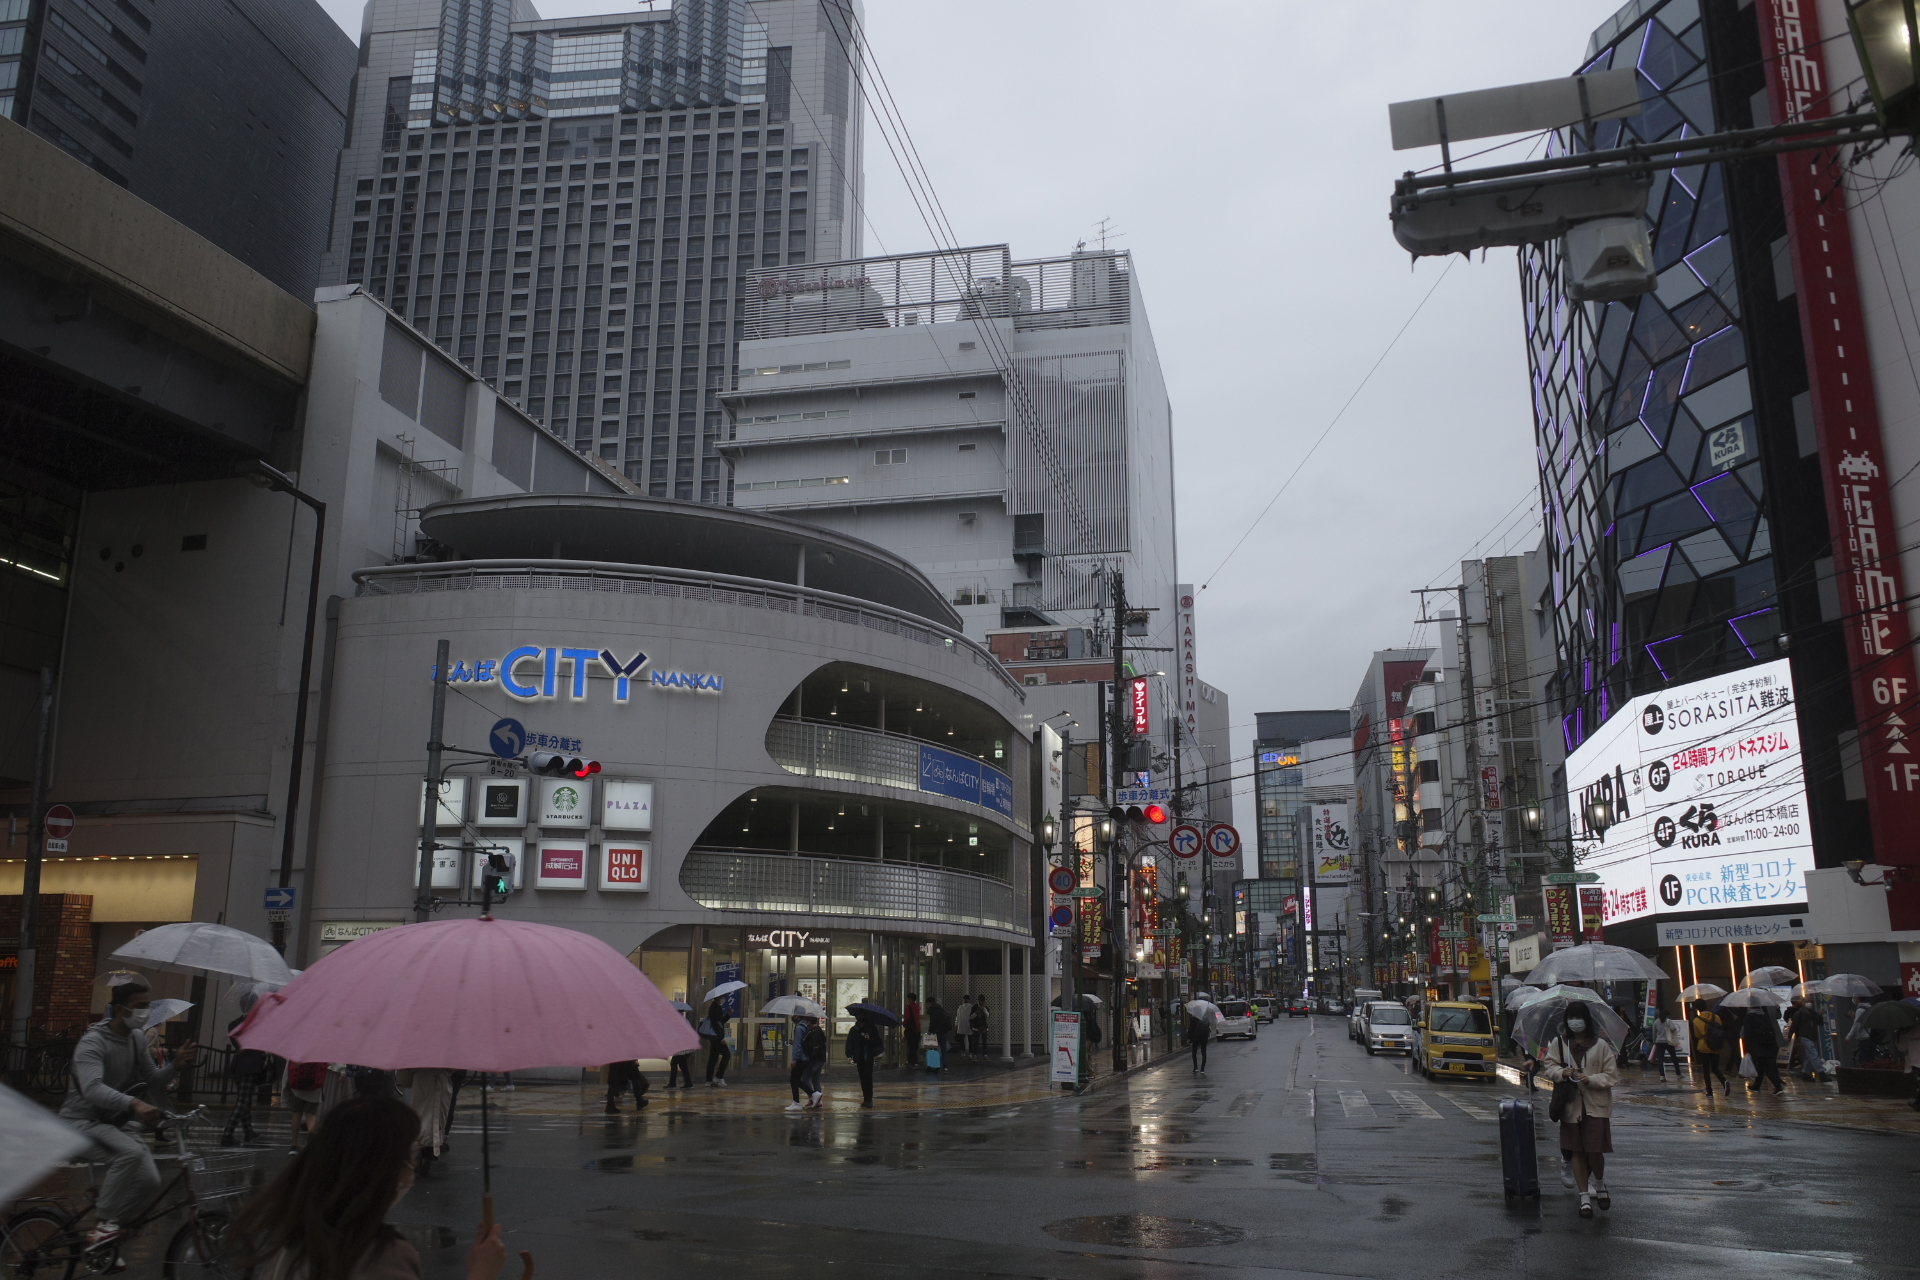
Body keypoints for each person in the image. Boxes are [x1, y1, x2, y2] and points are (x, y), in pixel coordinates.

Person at [233, 1096, 505, 1280]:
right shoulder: (383, 1258)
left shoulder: (296, 1242)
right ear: (380, 1168)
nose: (413, 1164)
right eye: (408, 1154)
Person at [59, 973, 199, 1247]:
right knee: (130, 1153)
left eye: (148, 1005)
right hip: (81, 1122)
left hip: (114, 1122)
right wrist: (133, 1103)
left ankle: (107, 1239)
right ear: (121, 1010)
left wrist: (175, 1066)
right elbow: (93, 1089)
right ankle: (103, 1223)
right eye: (140, 1006)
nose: (146, 1011)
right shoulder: (93, 1042)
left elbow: (152, 1078)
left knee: (149, 1180)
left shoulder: (136, 1038)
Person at [1534, 1008, 1619, 1219]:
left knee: (1594, 1150)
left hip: (1595, 1105)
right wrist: (1562, 1072)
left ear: (1586, 1020)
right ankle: (1584, 1199)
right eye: (1571, 1018)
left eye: (1578, 1017)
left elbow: (1611, 1075)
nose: (1575, 1022)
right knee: (1577, 1151)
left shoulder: (1600, 1045)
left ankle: (1599, 1182)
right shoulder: (1559, 1043)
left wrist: (1591, 1079)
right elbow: (1549, 1067)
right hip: (1571, 1106)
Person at [221, 990, 277, 1147]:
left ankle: (248, 1131)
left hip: (237, 1066)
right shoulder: (259, 1023)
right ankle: (227, 1134)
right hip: (251, 1066)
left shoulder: (233, 1024)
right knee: (243, 1101)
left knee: (245, 1099)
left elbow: (238, 1046)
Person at [1743, 1006, 1786, 1094]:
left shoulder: (1749, 1017)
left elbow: (1748, 1033)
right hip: (1769, 1044)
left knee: (1766, 1067)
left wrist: (1748, 1047)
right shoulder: (1764, 1015)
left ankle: (1778, 1087)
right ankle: (1756, 1086)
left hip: (1757, 1045)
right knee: (1760, 1066)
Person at [845, 1011, 884, 1108]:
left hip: (868, 1056)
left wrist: (870, 1038)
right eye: (858, 1015)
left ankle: (869, 1099)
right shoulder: (854, 1030)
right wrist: (849, 1055)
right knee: (862, 1078)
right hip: (859, 1057)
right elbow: (849, 1042)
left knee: (868, 1077)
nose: (860, 1017)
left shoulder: (871, 1028)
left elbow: (877, 1041)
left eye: (861, 1015)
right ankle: (865, 1098)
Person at [1688, 1004, 1728, 1095]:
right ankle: (1724, 1081)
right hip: (1716, 1045)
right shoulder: (1716, 1017)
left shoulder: (1697, 1020)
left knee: (1706, 1070)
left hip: (1704, 1047)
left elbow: (1698, 1035)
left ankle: (1709, 1091)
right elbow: (1720, 1029)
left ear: (1697, 1009)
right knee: (1715, 1068)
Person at [794, 1015, 829, 1109]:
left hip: (815, 1059)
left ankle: (813, 1097)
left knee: (805, 1078)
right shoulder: (819, 1030)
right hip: (821, 1058)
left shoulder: (811, 1032)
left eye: (807, 1021)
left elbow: (808, 1045)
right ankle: (818, 1102)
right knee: (815, 1079)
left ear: (809, 1022)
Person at [1788, 998, 1824, 1081]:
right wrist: (1790, 1036)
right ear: (1803, 1003)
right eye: (1808, 1001)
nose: (1809, 1003)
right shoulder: (1799, 1013)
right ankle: (1821, 1072)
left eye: (1811, 1001)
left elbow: (1820, 1023)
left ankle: (1806, 1073)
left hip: (1813, 1036)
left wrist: (1820, 1015)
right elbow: (1794, 1025)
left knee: (1809, 1055)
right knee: (1813, 1054)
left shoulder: (1813, 1013)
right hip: (1804, 1036)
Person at [702, 996, 732, 1087]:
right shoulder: (714, 1007)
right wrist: (721, 1037)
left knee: (713, 1057)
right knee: (726, 1054)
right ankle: (718, 1077)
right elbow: (715, 1024)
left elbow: (721, 1022)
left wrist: (728, 1015)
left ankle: (709, 1080)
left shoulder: (718, 1007)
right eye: (723, 996)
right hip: (717, 1037)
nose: (724, 998)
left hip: (716, 1037)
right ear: (718, 997)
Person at [1187, 995, 1218, 1075]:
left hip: (1195, 1037)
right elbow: (1208, 1027)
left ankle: (1195, 1068)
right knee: (1203, 1052)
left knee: (1194, 1052)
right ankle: (1202, 1069)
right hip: (1204, 1036)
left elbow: (1191, 1029)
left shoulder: (1193, 1018)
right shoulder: (1206, 1018)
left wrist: (1189, 1038)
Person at [926, 998, 953, 1069]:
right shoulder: (940, 1008)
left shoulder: (932, 1009)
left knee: (933, 1049)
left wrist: (930, 1030)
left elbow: (933, 1021)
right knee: (944, 1050)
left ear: (929, 1003)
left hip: (936, 1032)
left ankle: (934, 1065)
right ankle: (945, 1067)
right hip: (943, 1032)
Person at [903, 993, 923, 1067]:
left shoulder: (909, 1007)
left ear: (910, 999)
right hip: (917, 1029)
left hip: (911, 1029)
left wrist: (904, 1023)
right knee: (915, 1046)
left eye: (908, 998)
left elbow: (908, 1017)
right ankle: (911, 1061)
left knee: (911, 1046)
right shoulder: (917, 1007)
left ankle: (914, 1061)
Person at [953, 997, 975, 1063]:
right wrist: (956, 1024)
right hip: (963, 1024)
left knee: (969, 1040)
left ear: (969, 1000)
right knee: (963, 1040)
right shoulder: (961, 1007)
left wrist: (956, 1024)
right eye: (965, 999)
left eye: (966, 999)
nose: (965, 1000)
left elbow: (957, 1017)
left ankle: (969, 1052)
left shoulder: (970, 1007)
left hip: (966, 1025)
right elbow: (957, 1016)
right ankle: (965, 1052)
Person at [973, 994, 992, 1060]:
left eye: (982, 1001)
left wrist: (984, 1009)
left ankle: (985, 1054)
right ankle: (975, 1055)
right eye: (980, 1001)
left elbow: (988, 1016)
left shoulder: (986, 1008)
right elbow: (971, 1017)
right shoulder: (974, 1007)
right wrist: (976, 1013)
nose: (981, 1002)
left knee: (984, 1041)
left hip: (983, 1027)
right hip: (976, 1026)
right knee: (975, 1042)